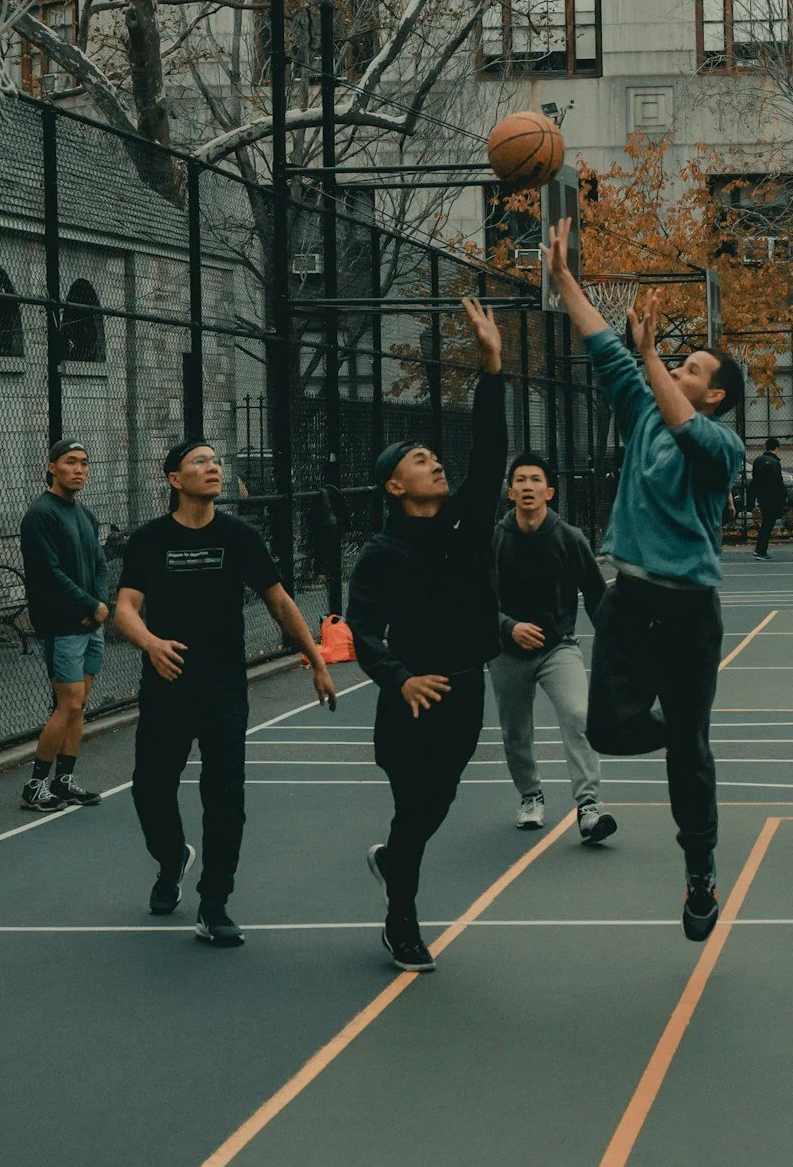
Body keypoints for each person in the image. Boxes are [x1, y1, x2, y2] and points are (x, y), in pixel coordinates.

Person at [547, 217, 748, 942]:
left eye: (694, 368)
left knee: (690, 758)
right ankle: (680, 731)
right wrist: (564, 278)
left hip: (689, 612)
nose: (680, 372)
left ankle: (699, 870)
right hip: (629, 603)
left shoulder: (720, 446)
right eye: (679, 364)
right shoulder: (640, 413)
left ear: (714, 395)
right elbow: (603, 344)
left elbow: (681, 420)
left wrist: (653, 354)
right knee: (606, 728)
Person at [113, 440, 337, 946]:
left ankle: (214, 904)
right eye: (200, 461)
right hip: (168, 684)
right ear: (175, 479)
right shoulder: (149, 540)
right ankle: (172, 859)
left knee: (225, 797)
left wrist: (318, 659)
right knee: (150, 789)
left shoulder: (239, 536)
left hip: (224, 686)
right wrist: (150, 643)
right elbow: (125, 607)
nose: (213, 467)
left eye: (216, 461)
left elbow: (279, 601)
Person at [350, 298, 508, 974]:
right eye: (421, 459)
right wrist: (400, 678)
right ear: (395, 484)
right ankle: (402, 924)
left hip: (466, 690)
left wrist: (492, 368)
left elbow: (491, 450)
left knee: (437, 804)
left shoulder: (467, 521)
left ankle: (392, 862)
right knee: (414, 809)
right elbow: (361, 631)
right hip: (411, 699)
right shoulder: (381, 554)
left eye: (435, 456)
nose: (436, 463)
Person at [491, 451, 616, 845]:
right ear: (510, 492)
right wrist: (509, 627)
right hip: (506, 651)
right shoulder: (494, 539)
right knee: (515, 731)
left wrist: (617, 651)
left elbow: (597, 597)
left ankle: (589, 807)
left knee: (579, 714)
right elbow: (474, 600)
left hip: (558, 647)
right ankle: (531, 795)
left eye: (535, 480)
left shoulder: (569, 538)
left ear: (549, 491)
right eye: (520, 480)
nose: (528, 486)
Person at [20, 438, 109, 813]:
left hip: (90, 625)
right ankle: (35, 786)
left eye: (84, 463)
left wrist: (99, 604)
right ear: (52, 467)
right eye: (71, 462)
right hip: (62, 626)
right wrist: (89, 605)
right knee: (68, 703)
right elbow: (49, 574)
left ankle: (64, 780)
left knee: (79, 704)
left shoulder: (86, 515)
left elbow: (100, 565)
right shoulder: (40, 514)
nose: (79, 469)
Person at [749, 440, 789, 560]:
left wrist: (753, 498)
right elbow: (778, 482)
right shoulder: (774, 462)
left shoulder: (758, 461)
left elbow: (754, 480)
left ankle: (759, 548)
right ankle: (761, 550)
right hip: (773, 497)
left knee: (766, 522)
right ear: (777, 448)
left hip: (762, 496)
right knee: (768, 523)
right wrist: (783, 497)